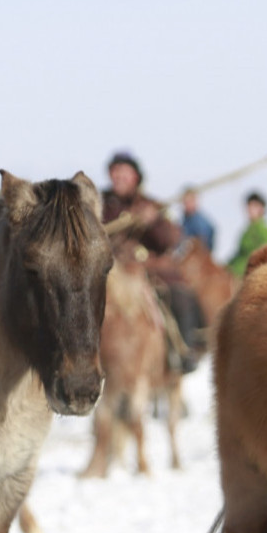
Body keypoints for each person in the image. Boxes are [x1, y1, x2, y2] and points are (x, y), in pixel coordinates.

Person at [100, 151, 203, 373]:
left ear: (135, 177)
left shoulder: (151, 205)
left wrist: (153, 221)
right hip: (111, 270)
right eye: (115, 172)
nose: (119, 177)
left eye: (124, 172)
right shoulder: (101, 206)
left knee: (180, 294)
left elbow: (171, 239)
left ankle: (182, 351)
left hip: (148, 270)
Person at [227, 190, 267, 276]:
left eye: (254, 206)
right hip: (236, 271)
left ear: (261, 209)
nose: (249, 209)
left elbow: (266, 256)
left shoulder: (266, 232)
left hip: (249, 273)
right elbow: (238, 254)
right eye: (249, 205)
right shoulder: (246, 232)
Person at [179, 186, 216, 251]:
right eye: (185, 202)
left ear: (195, 201)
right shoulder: (184, 222)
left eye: (189, 202)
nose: (187, 205)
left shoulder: (201, 222)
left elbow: (204, 241)